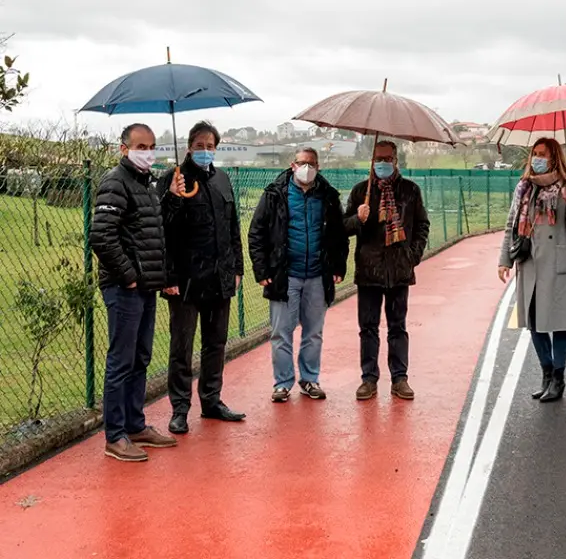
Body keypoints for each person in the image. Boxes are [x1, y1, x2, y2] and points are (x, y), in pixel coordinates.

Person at [90, 123, 178, 462]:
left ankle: (135, 423)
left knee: (140, 357)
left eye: (152, 145)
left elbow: (153, 233)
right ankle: (115, 435)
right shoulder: (115, 182)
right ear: (124, 148)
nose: (148, 152)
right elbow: (102, 236)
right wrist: (127, 276)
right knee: (121, 360)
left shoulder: (148, 185)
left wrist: (170, 195)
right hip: (124, 288)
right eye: (141, 146)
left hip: (146, 287)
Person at [156, 121, 246, 434]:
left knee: (215, 343)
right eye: (199, 145)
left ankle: (211, 400)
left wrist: (237, 268)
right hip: (184, 280)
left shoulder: (222, 179)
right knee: (182, 346)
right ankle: (179, 408)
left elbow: (233, 226)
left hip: (219, 277)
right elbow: (161, 228)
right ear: (189, 146)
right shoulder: (173, 178)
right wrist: (172, 197)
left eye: (210, 145)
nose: (205, 150)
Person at [248, 147, 348, 402]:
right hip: (285, 276)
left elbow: (338, 235)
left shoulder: (327, 196)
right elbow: (257, 233)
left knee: (313, 332)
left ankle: (309, 379)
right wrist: (261, 270)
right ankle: (282, 383)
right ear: (293, 165)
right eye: (302, 163)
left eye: (311, 163)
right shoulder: (274, 195)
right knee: (281, 332)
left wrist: (338, 266)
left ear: (318, 167)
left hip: (317, 275)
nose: (307, 168)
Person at [498, 137, 566, 402]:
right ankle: (546, 373)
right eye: (534, 153)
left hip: (557, 265)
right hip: (531, 264)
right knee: (535, 325)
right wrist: (504, 260)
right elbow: (511, 225)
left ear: (554, 157)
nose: (537, 158)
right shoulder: (524, 188)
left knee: (559, 324)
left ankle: (558, 379)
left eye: (543, 154)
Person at [344, 140, 430, 401]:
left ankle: (399, 378)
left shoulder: (410, 190)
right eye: (378, 159)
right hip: (369, 271)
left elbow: (422, 225)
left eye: (388, 159)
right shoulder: (361, 192)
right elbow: (342, 227)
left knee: (397, 327)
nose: (383, 163)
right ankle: (369, 379)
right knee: (368, 327)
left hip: (399, 270)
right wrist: (358, 219)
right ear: (372, 162)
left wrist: (412, 256)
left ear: (396, 161)